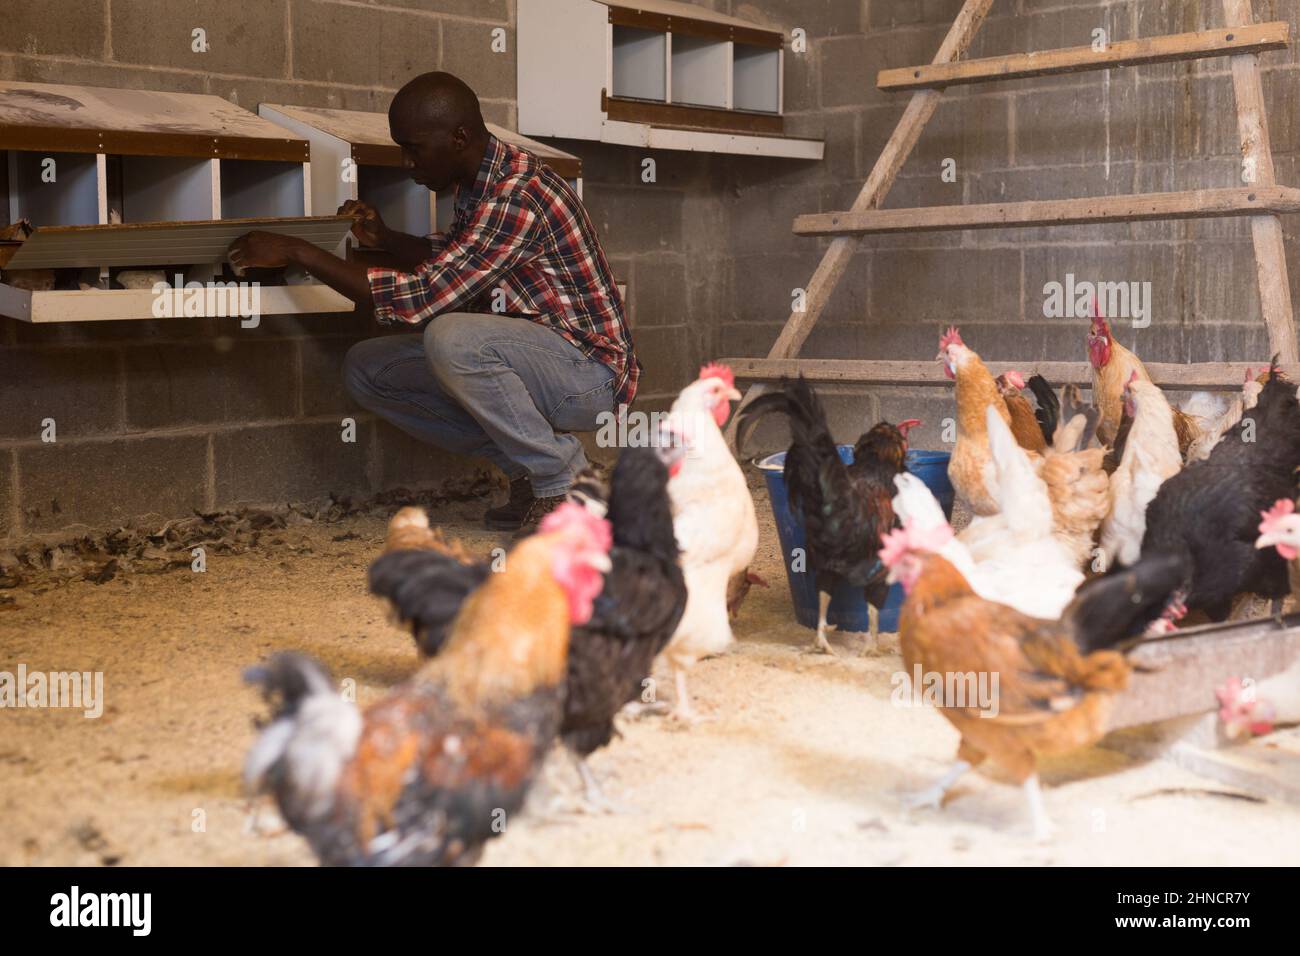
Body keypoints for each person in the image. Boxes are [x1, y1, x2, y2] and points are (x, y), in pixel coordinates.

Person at [229, 72, 639, 534]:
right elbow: (453, 262)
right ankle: (528, 468)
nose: (407, 163)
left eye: (414, 148)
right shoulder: (479, 182)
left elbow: (426, 299)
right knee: (369, 368)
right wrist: (386, 240)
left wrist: (297, 251)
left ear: (459, 137)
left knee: (451, 336)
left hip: (589, 376)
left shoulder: (517, 195)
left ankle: (563, 482)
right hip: (539, 361)